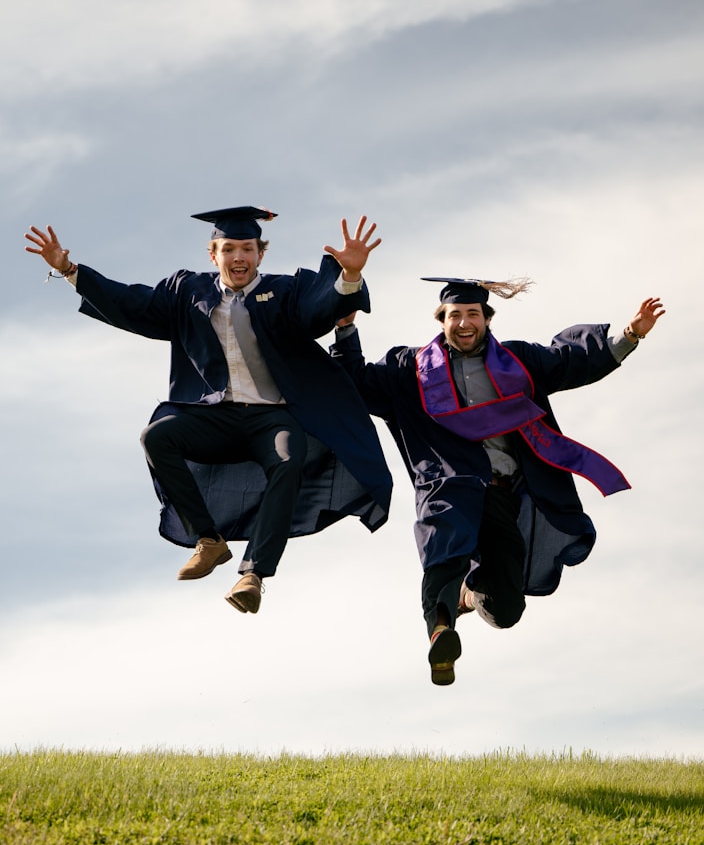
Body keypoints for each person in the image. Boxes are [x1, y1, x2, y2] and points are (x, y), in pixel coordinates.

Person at [25, 207, 392, 614]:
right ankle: (208, 540)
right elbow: (131, 302)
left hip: (271, 417)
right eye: (229, 248)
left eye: (248, 249)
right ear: (212, 254)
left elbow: (317, 310)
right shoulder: (187, 292)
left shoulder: (285, 293)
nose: (239, 257)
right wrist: (71, 270)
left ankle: (253, 573)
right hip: (213, 416)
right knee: (157, 436)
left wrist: (350, 277)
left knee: (288, 460)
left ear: (260, 255)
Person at [330, 277, 665, 684]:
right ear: (442, 320)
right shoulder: (410, 369)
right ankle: (440, 629)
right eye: (455, 315)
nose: (464, 322)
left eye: (473, 314)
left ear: (487, 320)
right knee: (444, 549)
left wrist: (629, 334)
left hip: (504, 491)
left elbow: (571, 361)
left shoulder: (518, 362)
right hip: (447, 486)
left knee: (506, 612)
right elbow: (355, 385)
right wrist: (344, 327)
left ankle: (467, 596)